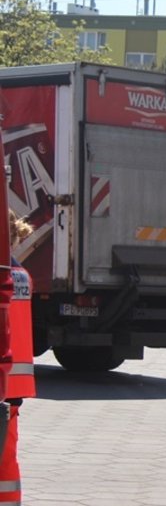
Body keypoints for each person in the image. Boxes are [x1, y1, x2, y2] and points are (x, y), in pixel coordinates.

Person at [2, 210, 36, 505]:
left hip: (3, 376)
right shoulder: (22, 274)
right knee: (6, 456)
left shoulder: (4, 276)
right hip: (16, 384)